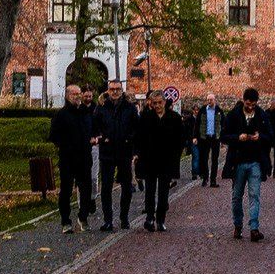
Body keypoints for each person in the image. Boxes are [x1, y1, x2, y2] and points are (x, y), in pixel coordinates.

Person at [223, 87, 272, 241]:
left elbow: (270, 136)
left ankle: (254, 228)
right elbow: (223, 136)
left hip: (255, 162)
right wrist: (238, 137)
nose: (250, 107)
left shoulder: (262, 115)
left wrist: (260, 137)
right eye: (248, 104)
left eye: (253, 104)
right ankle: (238, 225)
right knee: (237, 196)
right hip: (238, 162)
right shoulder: (233, 115)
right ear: (244, 100)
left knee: (254, 195)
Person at [134, 91, 185, 231]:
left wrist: (176, 155)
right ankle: (150, 217)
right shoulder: (146, 117)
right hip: (149, 160)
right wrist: (139, 154)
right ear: (151, 103)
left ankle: (161, 219)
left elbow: (181, 139)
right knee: (149, 191)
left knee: (163, 193)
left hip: (167, 161)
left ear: (164, 102)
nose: (157, 106)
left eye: (159, 103)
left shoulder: (174, 117)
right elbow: (139, 138)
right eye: (154, 103)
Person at [91, 78, 138, 231]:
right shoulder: (101, 107)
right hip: (107, 151)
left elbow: (136, 128)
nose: (115, 92)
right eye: (112, 89)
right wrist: (101, 137)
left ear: (121, 90)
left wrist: (130, 142)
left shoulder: (130, 108)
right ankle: (108, 219)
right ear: (108, 90)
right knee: (106, 188)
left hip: (124, 152)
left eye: (117, 89)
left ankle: (124, 218)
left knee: (126, 186)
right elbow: (94, 126)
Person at [49, 84, 96, 233]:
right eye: (74, 94)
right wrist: (66, 144)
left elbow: (94, 129)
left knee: (86, 189)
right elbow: (54, 136)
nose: (77, 96)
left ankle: (83, 217)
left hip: (84, 157)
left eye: (79, 93)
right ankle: (65, 221)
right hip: (68, 159)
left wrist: (94, 138)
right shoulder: (61, 115)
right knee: (66, 191)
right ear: (68, 96)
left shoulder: (86, 113)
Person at [194, 93, 222, 187]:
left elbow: (224, 124)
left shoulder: (219, 110)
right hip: (204, 138)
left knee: (215, 160)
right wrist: (195, 137)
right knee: (204, 158)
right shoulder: (202, 110)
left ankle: (213, 180)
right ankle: (205, 177)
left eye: (211, 99)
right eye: (208, 100)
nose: (209, 101)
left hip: (215, 138)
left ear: (215, 100)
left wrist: (222, 138)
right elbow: (197, 124)